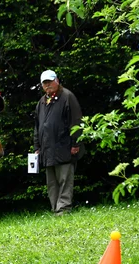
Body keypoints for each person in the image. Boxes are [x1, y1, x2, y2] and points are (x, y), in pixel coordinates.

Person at [33, 69, 84, 216]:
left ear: (57, 81)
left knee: (64, 180)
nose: (48, 85)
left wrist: (75, 144)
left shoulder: (67, 96)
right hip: (47, 150)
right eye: (45, 83)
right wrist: (37, 147)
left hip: (65, 147)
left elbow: (76, 121)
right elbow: (37, 126)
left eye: (50, 82)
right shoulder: (41, 102)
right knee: (52, 183)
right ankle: (55, 208)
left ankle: (63, 210)